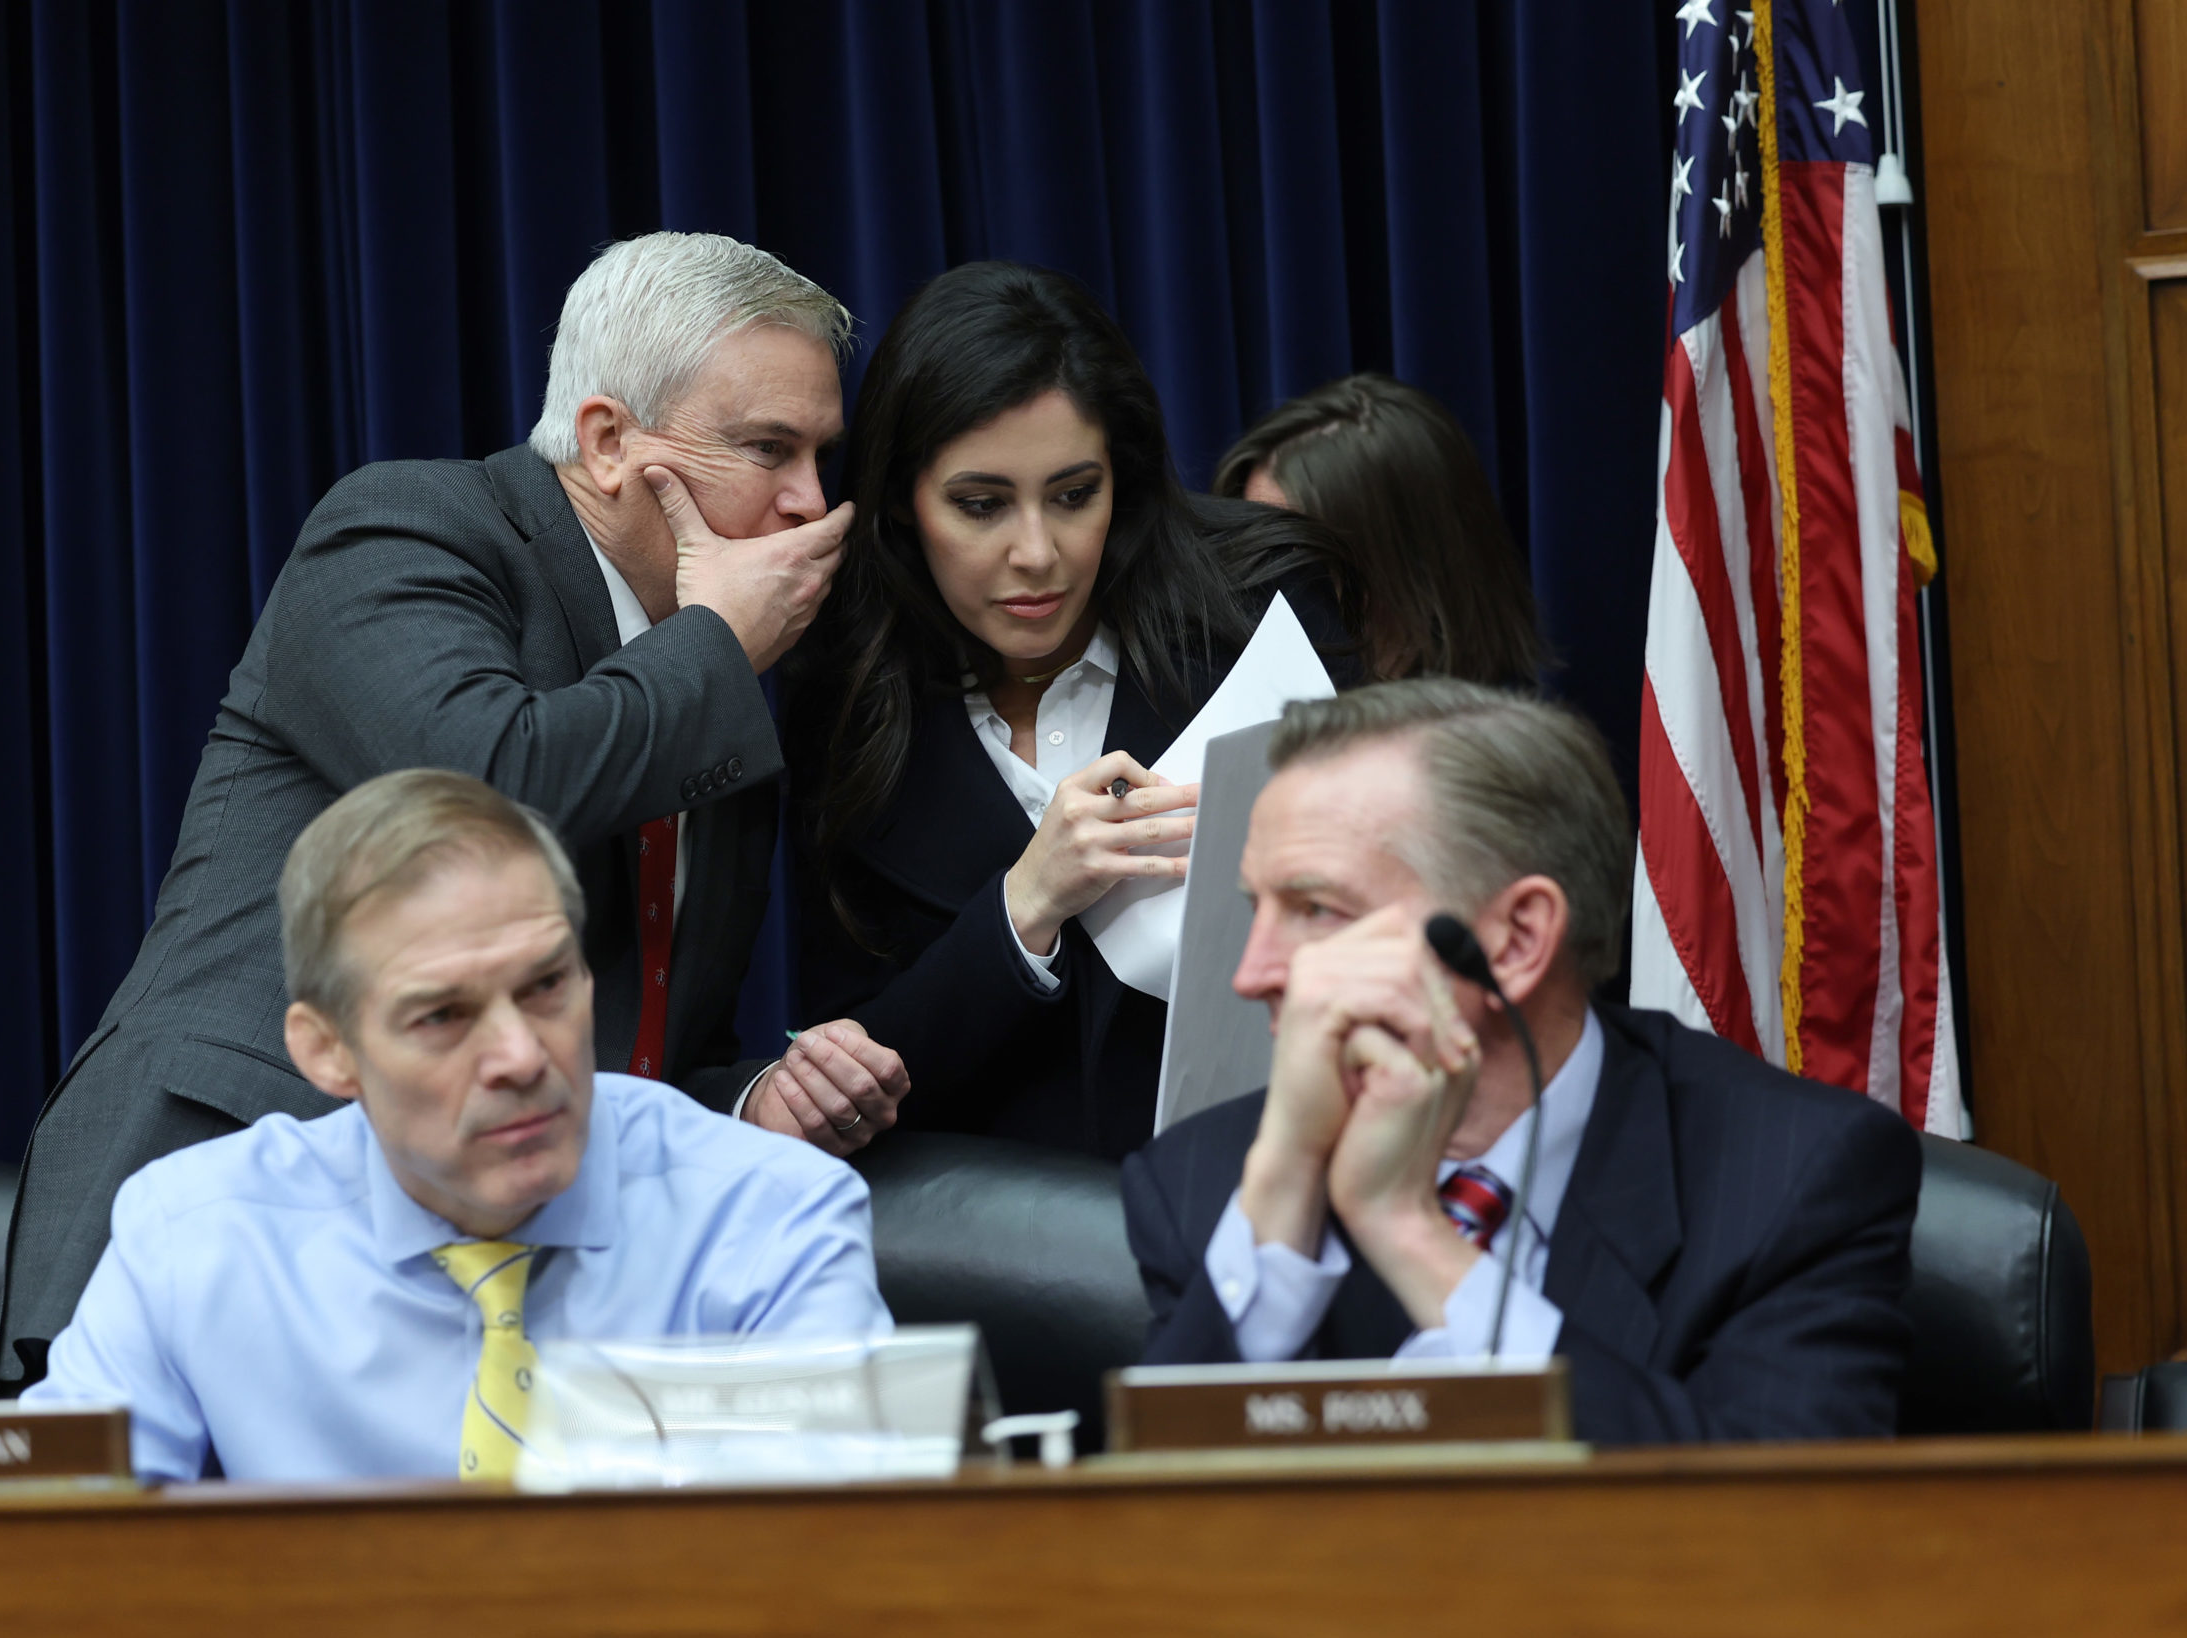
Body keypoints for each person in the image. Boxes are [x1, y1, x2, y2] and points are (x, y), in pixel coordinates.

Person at [0, 233, 910, 1391]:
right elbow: (490, 791)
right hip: (227, 1213)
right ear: (610, 441)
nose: (809, 504)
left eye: (824, 455)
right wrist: (713, 646)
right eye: (767, 449)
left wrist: (753, 1096)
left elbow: (637, 1041)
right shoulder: (412, 532)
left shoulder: (706, 693)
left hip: (474, 1279)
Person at [22, 769, 890, 1483]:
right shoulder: (194, 1233)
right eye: (442, 1016)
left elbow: (849, 1573)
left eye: (547, 986)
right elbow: (51, 1564)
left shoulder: (770, 1216)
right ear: (328, 1053)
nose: (520, 1055)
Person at [1122, 681, 1921, 1443]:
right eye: (1256, 910)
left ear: (1513, 941)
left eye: (1316, 909)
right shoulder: (1212, 1183)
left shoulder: (1794, 1180)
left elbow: (1776, 1531)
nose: (1252, 973)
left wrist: (1410, 1232)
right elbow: (1145, 1548)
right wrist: (1283, 1193)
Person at [779, 261, 1347, 1161]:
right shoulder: (838, 697)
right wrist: (1025, 904)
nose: (1037, 553)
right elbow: (855, 1072)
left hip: (1263, 1204)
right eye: (981, 506)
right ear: (900, 504)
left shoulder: (1264, 610)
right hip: (996, 1248)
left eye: (1075, 495)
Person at [1214, 375, 1547, 687]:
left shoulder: (1504, 742)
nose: (1262, 572)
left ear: (1406, 558)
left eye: (1295, 546)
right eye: (1255, 538)